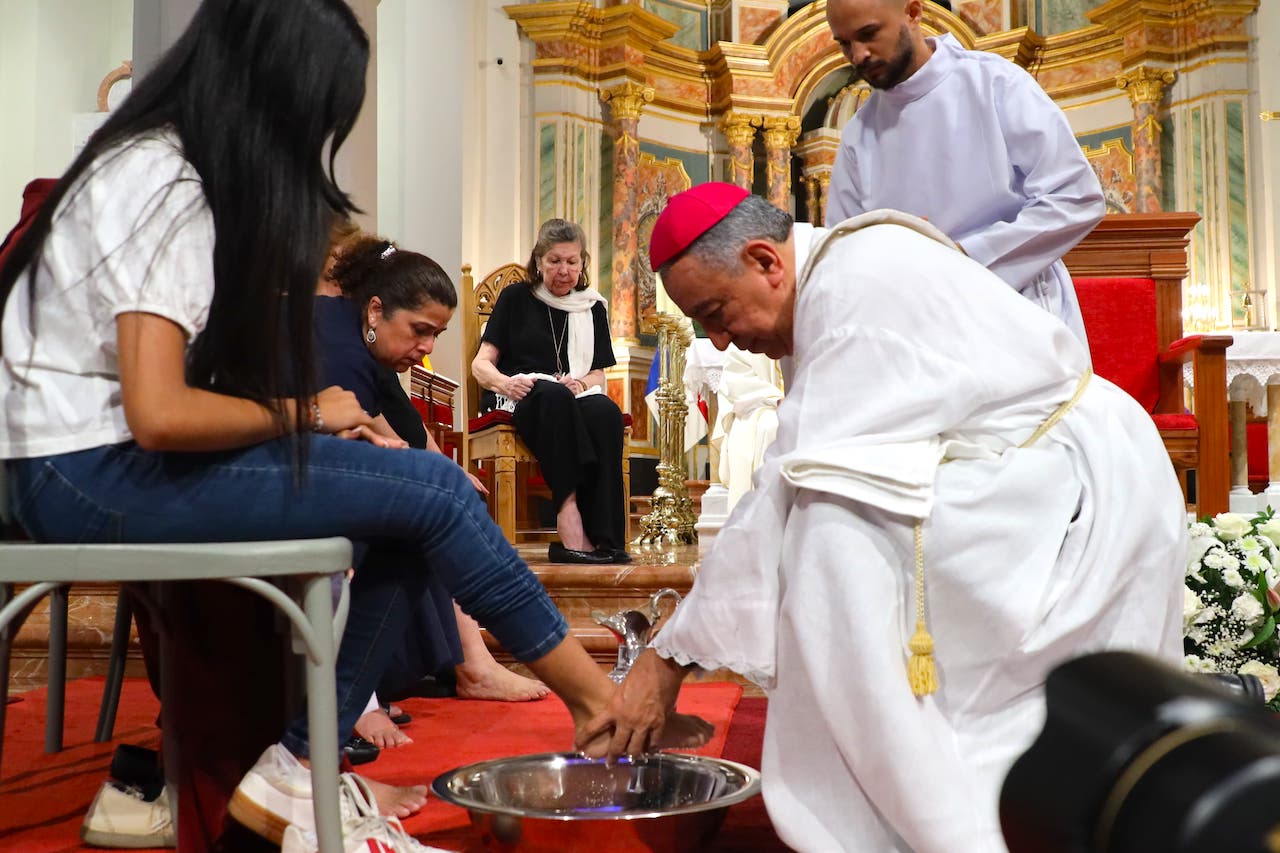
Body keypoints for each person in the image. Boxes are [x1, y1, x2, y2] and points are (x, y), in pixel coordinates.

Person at [0, 3, 709, 850]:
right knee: (438, 491)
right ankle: (597, 703)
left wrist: (314, 443)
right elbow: (157, 414)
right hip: (80, 475)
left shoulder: (158, 168)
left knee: (410, 506)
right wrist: (309, 415)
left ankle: (299, 770)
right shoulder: (163, 181)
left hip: (84, 464)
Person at [584, 182, 1186, 852]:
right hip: (1031, 470)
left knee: (831, 539)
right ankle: (916, 793)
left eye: (717, 313)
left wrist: (668, 658)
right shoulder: (838, 276)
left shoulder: (850, 298)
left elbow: (782, 490)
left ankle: (932, 817)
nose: (722, 342)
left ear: (764, 261)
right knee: (831, 523)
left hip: (1074, 493)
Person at [316, 231, 550, 737]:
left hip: (311, 471)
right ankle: (358, 696)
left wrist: (439, 469)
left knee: (445, 498)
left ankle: (457, 664)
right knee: (425, 513)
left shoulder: (361, 338)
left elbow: (387, 421)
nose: (425, 348)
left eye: (436, 336)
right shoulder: (337, 339)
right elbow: (342, 433)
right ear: (375, 309)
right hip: (276, 481)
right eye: (419, 331)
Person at [823, 0, 1105, 344]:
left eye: (868, 34)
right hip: (922, 334)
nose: (858, 55)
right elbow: (844, 254)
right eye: (844, 43)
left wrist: (963, 257)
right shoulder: (858, 135)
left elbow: (1077, 196)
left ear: (912, 12)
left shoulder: (995, 83)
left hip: (1019, 319)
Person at [471, 218, 631, 565]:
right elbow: (481, 364)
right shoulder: (515, 298)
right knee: (552, 394)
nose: (564, 270)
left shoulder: (592, 306)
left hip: (570, 396)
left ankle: (606, 538)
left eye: (572, 262)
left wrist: (581, 383)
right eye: (555, 261)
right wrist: (505, 383)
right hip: (522, 395)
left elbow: (598, 373)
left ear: (583, 263)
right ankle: (568, 510)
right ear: (539, 260)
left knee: (605, 412)